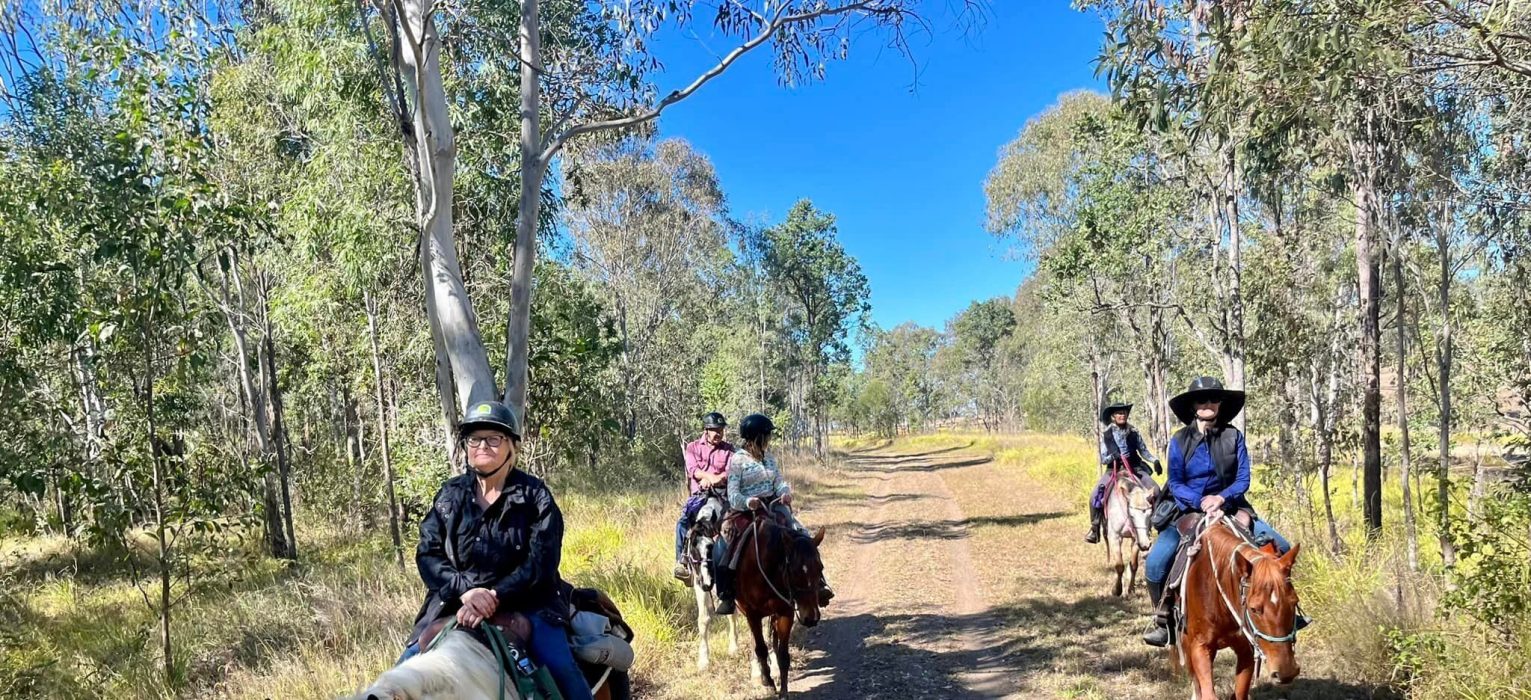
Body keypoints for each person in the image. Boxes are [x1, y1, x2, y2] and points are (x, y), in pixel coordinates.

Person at [398, 401, 594, 700]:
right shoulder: (450, 496)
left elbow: (541, 562)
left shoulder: (535, 496)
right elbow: (427, 554)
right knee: (402, 674)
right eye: (475, 439)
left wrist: (493, 596)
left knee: (561, 668)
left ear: (511, 447)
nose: (482, 446)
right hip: (455, 604)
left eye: (494, 438)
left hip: (529, 602)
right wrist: (466, 592)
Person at [1140, 377, 1298, 648]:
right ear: (1193, 406)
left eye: (1213, 399)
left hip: (1232, 506)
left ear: (1220, 404)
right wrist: (1202, 501)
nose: (1208, 404)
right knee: (1156, 562)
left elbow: (1243, 478)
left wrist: (1221, 498)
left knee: (1281, 547)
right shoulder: (1179, 441)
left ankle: (1285, 614)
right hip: (1188, 510)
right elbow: (1176, 482)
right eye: (1202, 400)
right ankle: (1163, 619)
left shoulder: (1233, 436)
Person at [712, 413, 832, 615]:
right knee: (721, 546)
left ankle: (819, 584)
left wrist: (784, 492)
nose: (769, 439)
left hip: (772, 507)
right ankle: (726, 594)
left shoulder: (769, 459)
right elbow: (733, 494)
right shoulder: (737, 460)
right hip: (746, 510)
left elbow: (779, 482)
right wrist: (747, 501)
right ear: (757, 437)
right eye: (767, 436)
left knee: (803, 538)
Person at [1085, 399, 1162, 544]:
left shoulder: (1133, 431)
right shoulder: (1107, 434)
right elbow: (1103, 458)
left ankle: (1156, 523)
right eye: (1119, 413)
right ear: (1113, 416)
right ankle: (1094, 528)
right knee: (1094, 495)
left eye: (1124, 412)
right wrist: (1113, 456)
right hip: (1113, 470)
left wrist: (1155, 460)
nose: (1122, 415)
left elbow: (1143, 451)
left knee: (1156, 490)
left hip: (1135, 469)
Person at [674, 412, 735, 580]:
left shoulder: (729, 450)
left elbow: (729, 473)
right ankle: (682, 563)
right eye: (715, 430)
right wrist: (709, 477)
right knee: (682, 523)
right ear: (706, 430)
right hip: (699, 496)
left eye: (721, 429)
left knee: (736, 526)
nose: (719, 433)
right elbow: (694, 470)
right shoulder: (692, 447)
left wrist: (714, 480)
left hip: (722, 497)